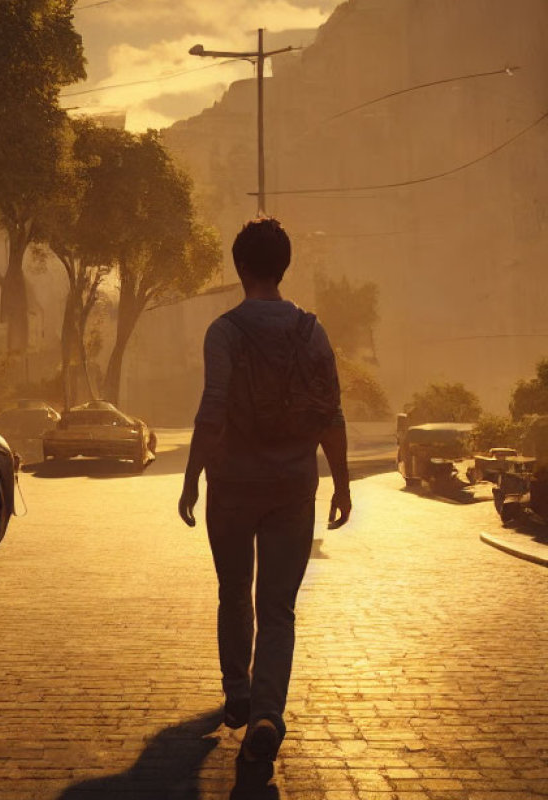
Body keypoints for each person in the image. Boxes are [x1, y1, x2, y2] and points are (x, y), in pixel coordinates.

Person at [177, 217, 351, 770]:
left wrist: (191, 477)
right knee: (278, 607)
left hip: (230, 486)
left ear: (239, 267)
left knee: (234, 590)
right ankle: (268, 715)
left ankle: (239, 692)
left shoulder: (223, 332)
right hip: (293, 486)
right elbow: (331, 413)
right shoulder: (311, 332)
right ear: (284, 266)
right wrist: (342, 484)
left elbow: (213, 408)